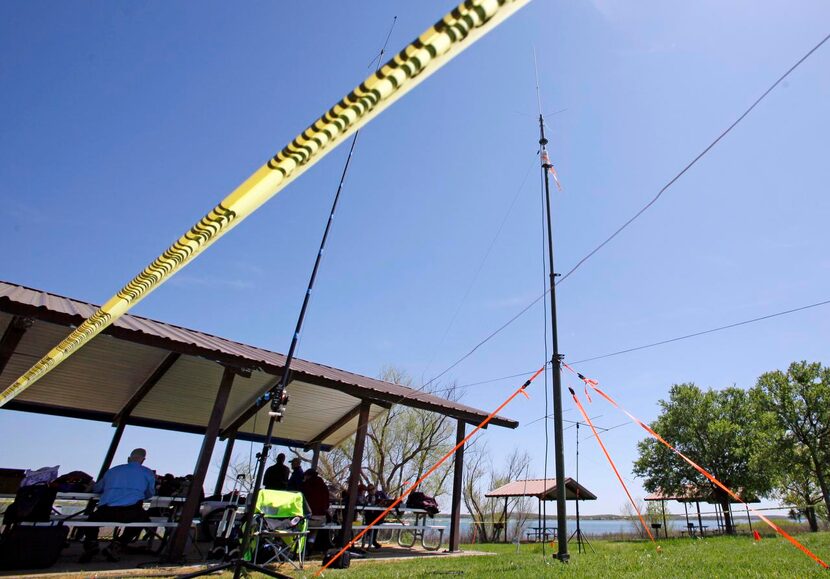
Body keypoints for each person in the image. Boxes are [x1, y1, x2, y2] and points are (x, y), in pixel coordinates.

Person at [78, 448, 156, 563]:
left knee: (91, 520)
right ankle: (118, 545)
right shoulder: (147, 473)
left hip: (105, 510)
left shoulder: (113, 471)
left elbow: (98, 489)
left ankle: (92, 544)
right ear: (143, 460)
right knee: (142, 522)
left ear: (129, 458)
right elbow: (150, 494)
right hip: (130, 512)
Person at [361, 483, 388, 549]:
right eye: (369, 490)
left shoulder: (381, 494)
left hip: (378, 515)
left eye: (372, 489)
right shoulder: (367, 497)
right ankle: (368, 540)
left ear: (375, 488)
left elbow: (387, 501)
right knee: (369, 523)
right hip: (369, 516)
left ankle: (372, 541)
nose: (371, 491)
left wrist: (383, 504)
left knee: (375, 523)